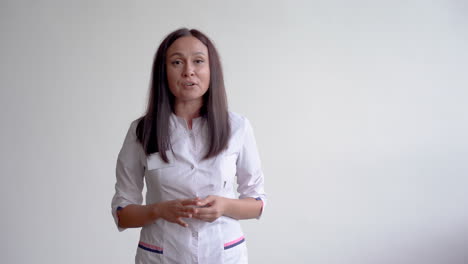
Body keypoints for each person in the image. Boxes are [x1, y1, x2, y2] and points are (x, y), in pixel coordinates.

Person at [111, 28, 267, 264]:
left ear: (211, 69)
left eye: (198, 61)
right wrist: (158, 210)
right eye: (176, 62)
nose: (188, 71)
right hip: (162, 255)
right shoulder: (142, 131)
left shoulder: (237, 127)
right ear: (163, 72)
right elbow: (123, 213)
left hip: (223, 254)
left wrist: (224, 206)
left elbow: (257, 203)